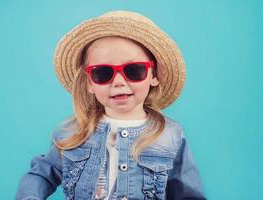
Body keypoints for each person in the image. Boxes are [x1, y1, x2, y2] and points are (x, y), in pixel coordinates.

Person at [16, 10, 206, 200]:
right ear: (89, 82)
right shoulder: (72, 133)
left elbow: (187, 194)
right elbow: (40, 175)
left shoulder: (171, 135)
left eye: (134, 70)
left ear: (154, 75)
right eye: (103, 73)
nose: (119, 82)